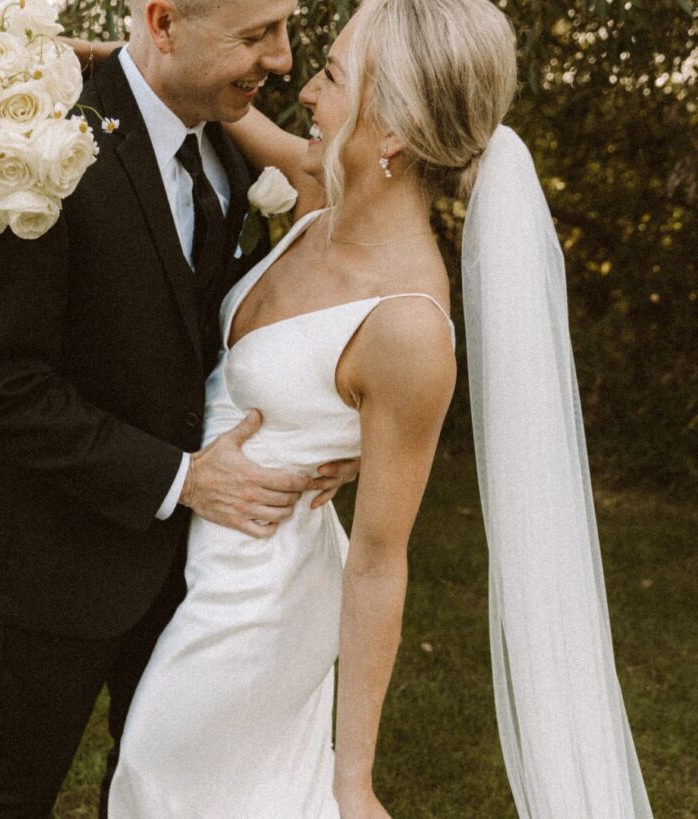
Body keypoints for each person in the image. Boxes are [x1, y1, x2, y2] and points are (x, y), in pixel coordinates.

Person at [101, 0, 654, 816]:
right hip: (202, 567)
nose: (306, 93)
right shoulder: (324, 194)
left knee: (156, 774)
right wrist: (103, 62)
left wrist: (353, 776)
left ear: (391, 129)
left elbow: (380, 560)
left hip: (256, 609)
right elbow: (211, 107)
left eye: (330, 76)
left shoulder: (406, 328)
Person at [0, 0, 361, 815]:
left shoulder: (227, 137)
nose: (281, 61)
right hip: (59, 555)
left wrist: (316, 430)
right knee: (14, 786)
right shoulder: (29, 146)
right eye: (256, 35)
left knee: (152, 782)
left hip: (199, 566)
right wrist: (181, 478)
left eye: (284, 30)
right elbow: (1, 384)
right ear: (165, 23)